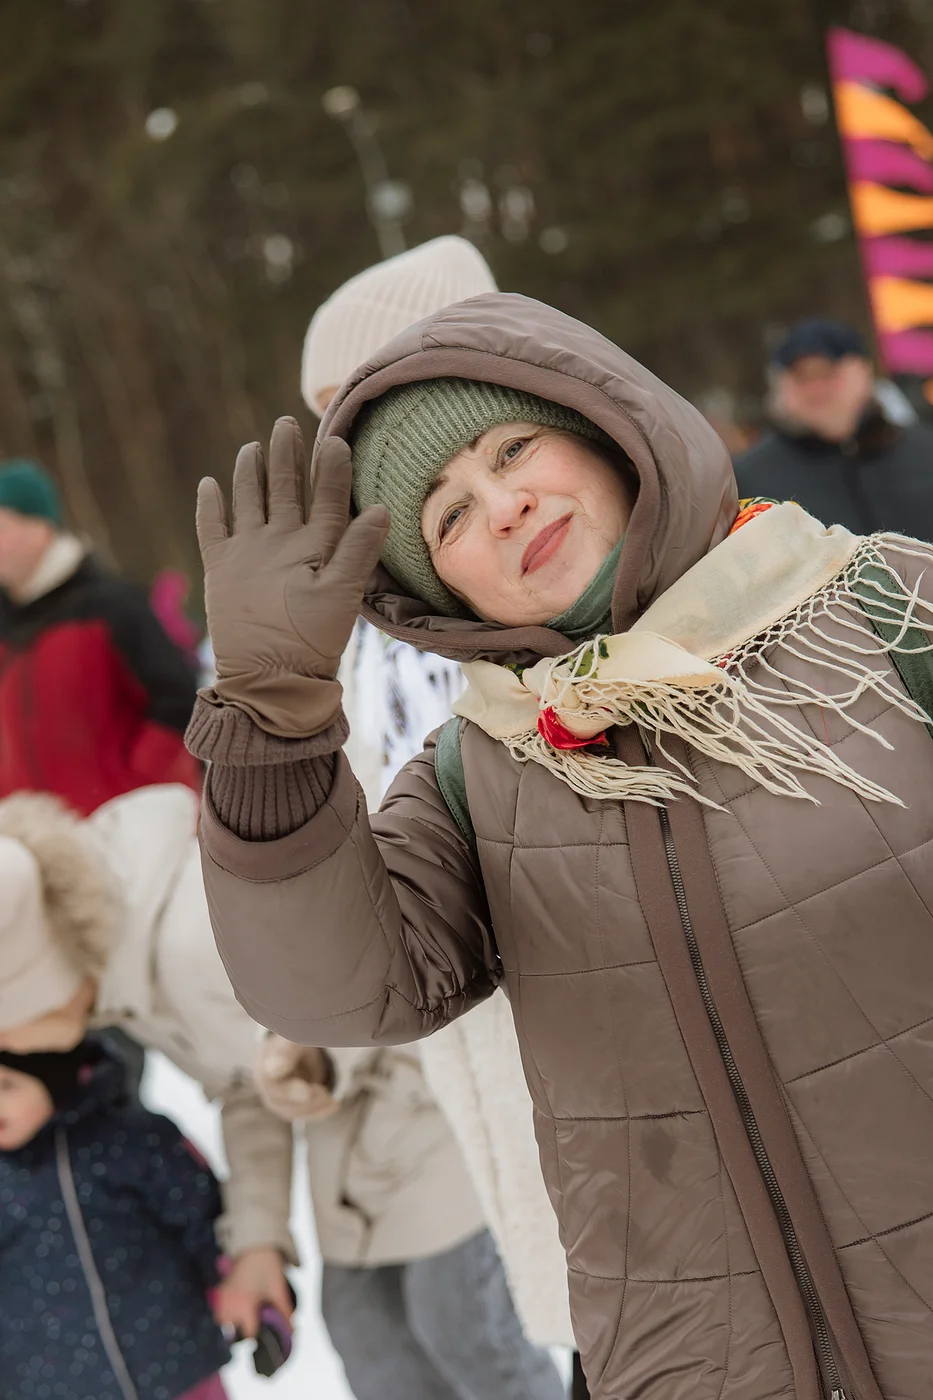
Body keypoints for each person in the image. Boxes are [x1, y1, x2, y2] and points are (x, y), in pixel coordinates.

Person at [190, 290, 933, 1399]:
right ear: (434, 590)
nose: (501, 504)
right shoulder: (477, 771)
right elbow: (341, 988)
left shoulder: (891, 609)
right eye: (445, 517)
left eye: (514, 447)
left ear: (606, 428)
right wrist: (269, 723)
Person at [301, 234, 573, 1355]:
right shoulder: (377, 643)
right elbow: (377, 857)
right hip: (472, 1055)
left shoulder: (549, 566)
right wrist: (314, 1027)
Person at [0, 785, 296, 1349]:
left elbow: (363, 1041)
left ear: (40, 984)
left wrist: (308, 1072)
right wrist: (259, 1241)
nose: (9, 1044)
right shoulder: (119, 979)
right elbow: (248, 1082)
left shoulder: (192, 948)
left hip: (421, 1119)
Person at [256, 1036, 564, 1400]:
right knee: (361, 1328)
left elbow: (432, 1007)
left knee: (455, 1315)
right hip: (345, 1180)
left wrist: (325, 1060)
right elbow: (242, 1085)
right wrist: (258, 1240)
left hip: (431, 1136)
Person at [0, 1036, 230, 1400]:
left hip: (174, 1367)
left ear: (53, 1079)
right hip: (47, 1385)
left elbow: (202, 1215)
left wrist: (233, 1282)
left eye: (7, 1085)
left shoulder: (131, 1138)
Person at [0, 458, 201, 815]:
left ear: (41, 528)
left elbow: (179, 698)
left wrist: (138, 783)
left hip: (135, 837)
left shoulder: (111, 604)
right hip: (40, 846)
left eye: (2, 526)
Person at [734, 317, 933, 538]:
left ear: (863, 372)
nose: (816, 389)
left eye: (828, 372)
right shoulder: (748, 482)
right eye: (800, 378)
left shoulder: (924, 451)